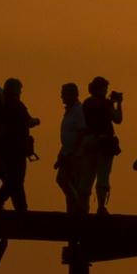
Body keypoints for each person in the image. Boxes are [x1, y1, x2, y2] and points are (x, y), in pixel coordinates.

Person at [77, 77, 123, 215]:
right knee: (103, 174)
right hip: (104, 141)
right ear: (100, 88)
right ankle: (101, 207)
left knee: (88, 174)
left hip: (88, 140)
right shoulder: (106, 103)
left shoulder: (86, 103)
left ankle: (81, 206)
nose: (106, 91)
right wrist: (118, 104)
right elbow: (118, 119)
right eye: (105, 88)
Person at [0, 79, 38, 211]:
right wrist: (36, 120)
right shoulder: (17, 104)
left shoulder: (3, 106)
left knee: (15, 180)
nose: (20, 93)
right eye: (19, 90)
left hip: (5, 149)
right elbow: (28, 121)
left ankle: (21, 207)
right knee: (16, 179)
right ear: (15, 91)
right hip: (17, 149)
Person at [54, 82, 85, 213]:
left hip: (76, 154)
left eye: (64, 95)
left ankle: (78, 207)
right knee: (64, 180)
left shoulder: (79, 110)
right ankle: (74, 207)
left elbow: (82, 132)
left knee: (71, 181)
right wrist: (62, 153)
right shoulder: (69, 111)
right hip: (67, 152)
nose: (62, 98)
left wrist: (72, 150)